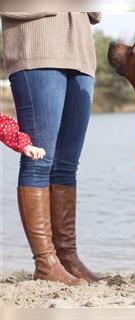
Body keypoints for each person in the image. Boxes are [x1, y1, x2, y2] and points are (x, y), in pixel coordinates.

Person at [1, 12, 102, 285]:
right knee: (39, 160)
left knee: (67, 167)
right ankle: (45, 262)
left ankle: (67, 258)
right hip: (37, 51)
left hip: (81, 56)